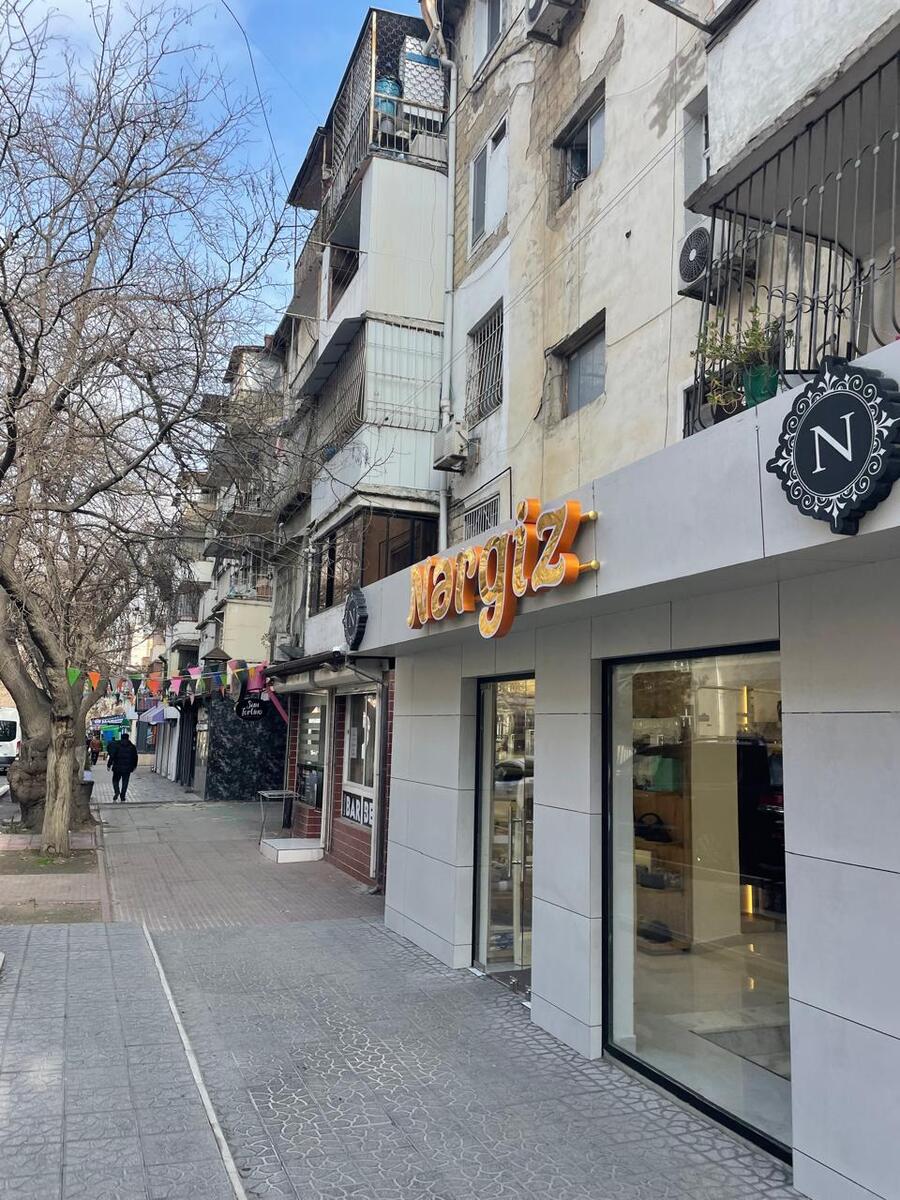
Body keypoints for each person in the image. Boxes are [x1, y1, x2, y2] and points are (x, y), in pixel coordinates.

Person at [106, 732, 138, 802]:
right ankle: (122, 796)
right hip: (127, 769)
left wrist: (109, 765)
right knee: (125, 782)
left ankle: (117, 791)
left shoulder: (116, 746)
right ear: (128, 738)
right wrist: (134, 766)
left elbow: (112, 756)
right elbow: (135, 757)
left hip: (117, 768)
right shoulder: (132, 747)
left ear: (121, 738)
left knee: (115, 780)